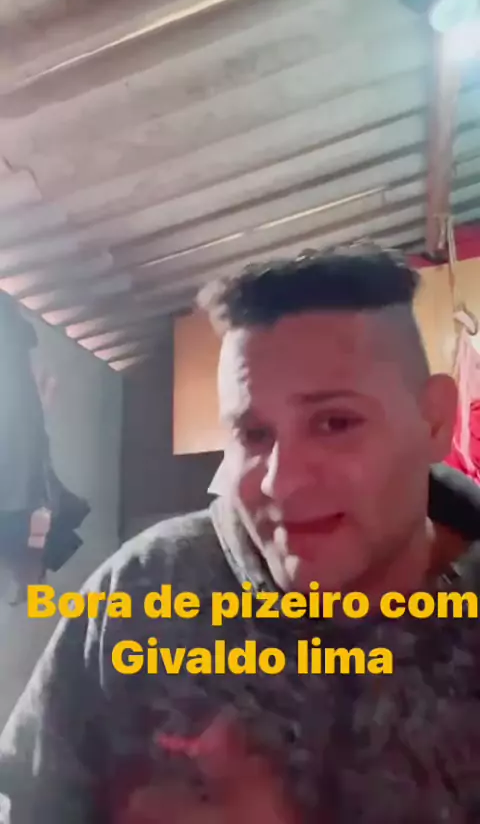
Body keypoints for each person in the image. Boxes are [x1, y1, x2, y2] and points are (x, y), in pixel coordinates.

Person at [0, 245, 480, 823]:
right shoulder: (142, 591)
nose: (280, 481)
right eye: (253, 435)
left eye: (334, 423)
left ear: (434, 421)